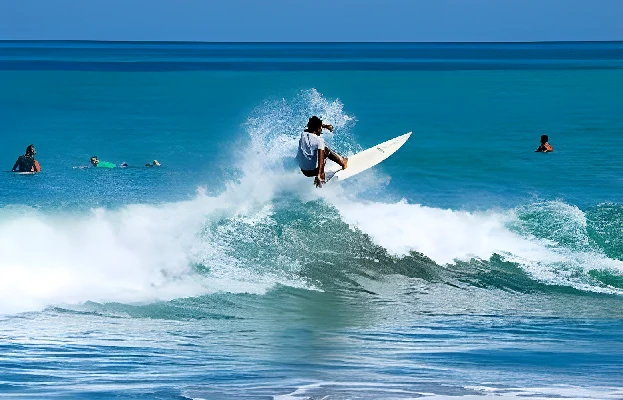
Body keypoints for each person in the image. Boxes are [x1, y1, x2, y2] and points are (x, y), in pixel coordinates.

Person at [297, 116, 348, 188]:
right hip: (313, 172)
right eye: (321, 128)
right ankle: (343, 163)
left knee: (311, 152)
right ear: (317, 128)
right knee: (326, 150)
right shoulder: (319, 140)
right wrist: (320, 174)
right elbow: (321, 160)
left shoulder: (304, 134)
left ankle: (319, 172)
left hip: (303, 170)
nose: (321, 130)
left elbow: (311, 126)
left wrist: (325, 126)